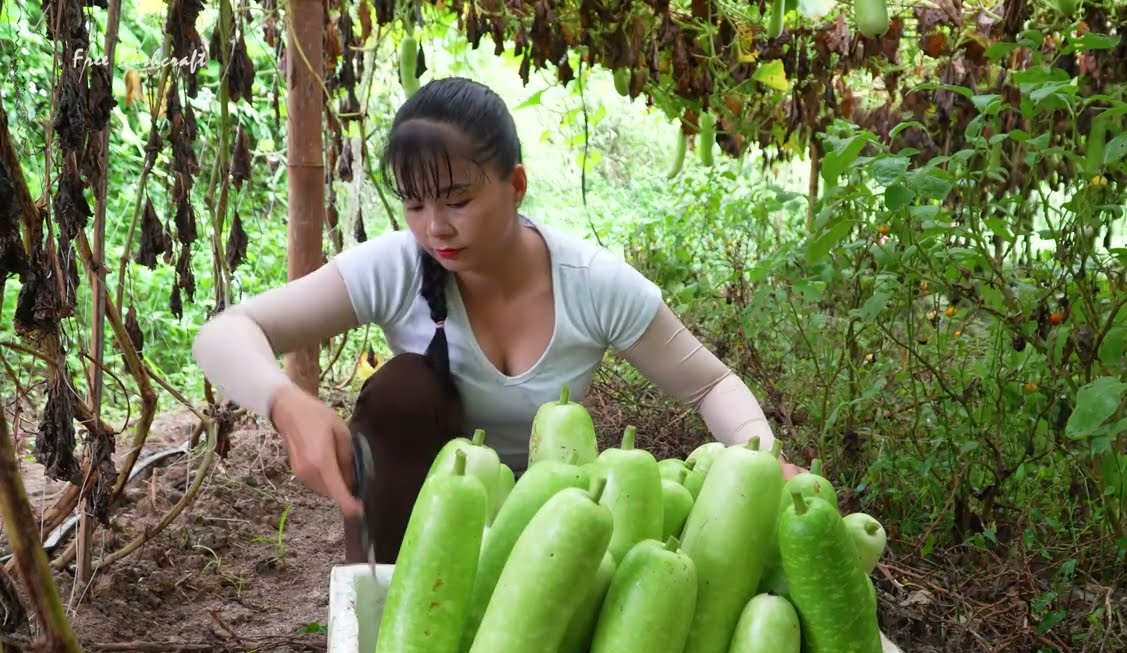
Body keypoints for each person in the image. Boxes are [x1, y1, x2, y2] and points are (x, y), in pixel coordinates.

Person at [192, 76, 805, 567]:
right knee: (403, 388)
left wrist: (764, 456)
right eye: (414, 203)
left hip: (553, 516)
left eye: (458, 200)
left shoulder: (591, 283)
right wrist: (283, 401)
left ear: (516, 184)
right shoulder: (398, 267)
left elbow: (709, 383)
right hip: (421, 518)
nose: (436, 227)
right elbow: (224, 332)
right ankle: (381, 595)